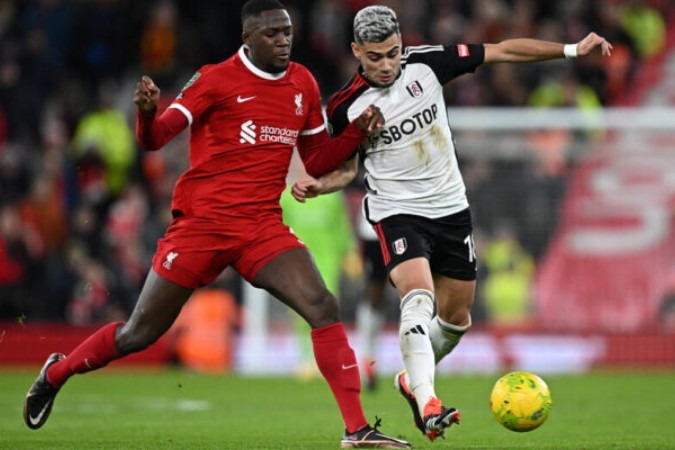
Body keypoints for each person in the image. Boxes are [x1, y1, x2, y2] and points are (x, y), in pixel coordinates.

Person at [23, 1, 410, 448]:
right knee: (138, 334)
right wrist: (147, 113)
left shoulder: (302, 82)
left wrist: (357, 131)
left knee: (323, 305)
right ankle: (56, 373)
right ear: (248, 38)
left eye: (288, 32)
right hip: (201, 228)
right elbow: (155, 139)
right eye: (272, 34)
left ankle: (356, 432)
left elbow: (318, 159)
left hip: (261, 228)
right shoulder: (214, 79)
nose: (284, 40)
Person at [290, 4, 612, 442]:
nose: (386, 65)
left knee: (456, 319)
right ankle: (427, 400)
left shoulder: (425, 64)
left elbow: (502, 52)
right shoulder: (346, 105)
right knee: (417, 296)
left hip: (450, 208)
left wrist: (573, 49)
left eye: (392, 52)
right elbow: (348, 169)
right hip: (396, 211)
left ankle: (410, 378)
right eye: (374, 57)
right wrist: (321, 185)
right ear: (355, 51)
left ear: (402, 43)